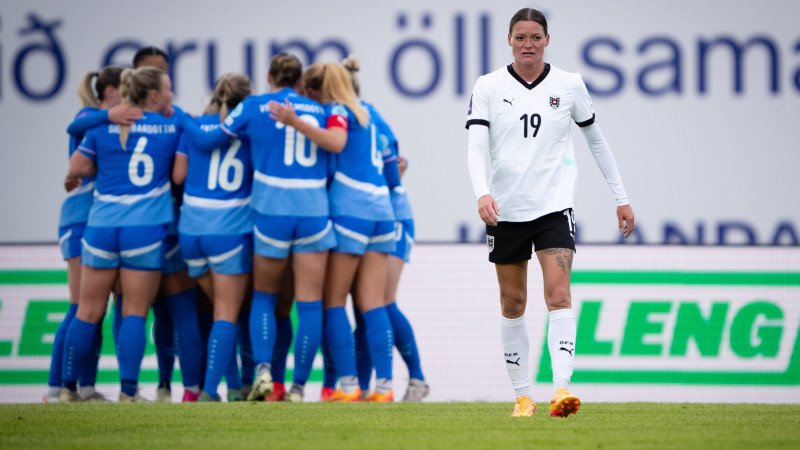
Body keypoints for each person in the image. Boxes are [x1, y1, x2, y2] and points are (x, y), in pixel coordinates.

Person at [466, 8, 634, 418]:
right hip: (505, 210)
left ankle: (561, 390)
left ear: (547, 40)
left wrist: (621, 195)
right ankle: (523, 396)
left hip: (554, 206)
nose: (528, 44)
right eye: (521, 36)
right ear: (509, 40)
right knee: (513, 302)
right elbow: (475, 146)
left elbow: (597, 141)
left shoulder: (569, 84)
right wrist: (482, 192)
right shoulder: (488, 86)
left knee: (558, 295)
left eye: (535, 36)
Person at [181, 53, 338, 403]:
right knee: (309, 303)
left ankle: (264, 371)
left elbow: (213, 139)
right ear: (300, 82)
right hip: (313, 210)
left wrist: (181, 117)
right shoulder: (321, 112)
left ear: (268, 76)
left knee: (264, 298)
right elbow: (331, 164)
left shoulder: (253, 106)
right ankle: (297, 388)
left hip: (271, 213)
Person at [270, 62, 397, 402]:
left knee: (333, 302)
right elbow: (392, 155)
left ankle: (349, 385)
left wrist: (294, 122)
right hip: (382, 211)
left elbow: (336, 143)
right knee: (373, 303)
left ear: (320, 89)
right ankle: (384, 387)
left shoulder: (337, 110)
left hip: (350, 210)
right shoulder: (368, 111)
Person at [59, 66, 183, 402]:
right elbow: (180, 170)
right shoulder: (170, 126)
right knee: (134, 312)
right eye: (169, 89)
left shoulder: (103, 127)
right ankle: (128, 392)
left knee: (87, 311)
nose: (172, 94)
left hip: (100, 228)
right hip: (143, 231)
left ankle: (68, 389)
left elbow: (76, 170)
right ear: (154, 95)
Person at [341, 56, 429, 402]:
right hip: (379, 213)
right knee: (366, 305)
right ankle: (364, 387)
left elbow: (392, 172)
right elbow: (393, 164)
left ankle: (417, 379)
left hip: (389, 216)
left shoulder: (352, 118)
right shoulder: (371, 115)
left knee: (380, 301)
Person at [44, 66, 126, 404]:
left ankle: (87, 387)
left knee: (96, 308)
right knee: (80, 306)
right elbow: (73, 126)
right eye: (124, 89)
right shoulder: (91, 114)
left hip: (96, 221)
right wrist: (110, 114)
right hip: (79, 219)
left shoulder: (107, 120)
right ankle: (56, 386)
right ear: (109, 91)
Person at [172, 72, 254, 402]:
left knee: (221, 312)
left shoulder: (193, 126)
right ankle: (210, 392)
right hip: (229, 231)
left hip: (191, 232)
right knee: (227, 313)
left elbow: (178, 175)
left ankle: (233, 387)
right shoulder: (248, 130)